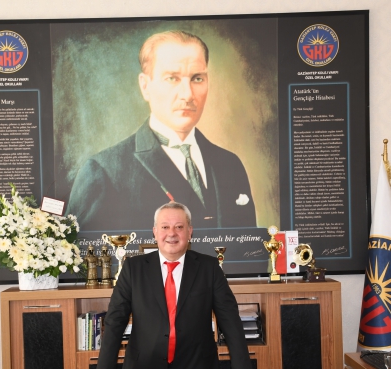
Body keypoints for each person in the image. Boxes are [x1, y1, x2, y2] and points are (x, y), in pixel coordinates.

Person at [66, 30, 257, 231]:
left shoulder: (231, 165)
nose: (187, 94)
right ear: (145, 86)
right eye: (172, 78)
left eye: (197, 78)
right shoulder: (104, 172)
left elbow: (249, 247)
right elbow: (82, 250)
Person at [88, 201, 263, 369]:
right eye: (165, 227)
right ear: (155, 232)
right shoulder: (133, 268)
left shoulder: (209, 268)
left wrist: (242, 366)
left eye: (179, 227)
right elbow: (115, 319)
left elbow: (229, 318)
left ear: (190, 232)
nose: (172, 233)